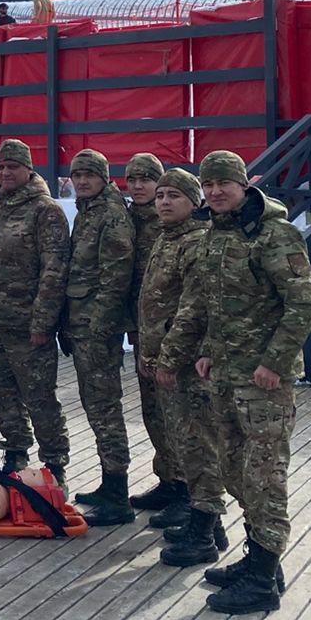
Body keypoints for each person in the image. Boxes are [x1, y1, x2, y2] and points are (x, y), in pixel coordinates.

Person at [159, 151, 311, 614]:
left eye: (223, 184)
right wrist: (209, 350)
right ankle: (259, 559)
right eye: (208, 185)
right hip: (226, 378)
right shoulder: (216, 234)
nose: (215, 192)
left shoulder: (274, 234)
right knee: (233, 470)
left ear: (244, 186)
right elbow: (214, 304)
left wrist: (274, 362)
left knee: (264, 477)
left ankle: (263, 582)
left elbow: (304, 305)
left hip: (263, 383)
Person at [138, 168, 227, 568]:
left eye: (174, 195)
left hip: (187, 365)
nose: (163, 202)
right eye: (160, 196)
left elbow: (198, 309)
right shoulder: (167, 237)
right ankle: (207, 521)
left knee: (199, 446)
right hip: (165, 359)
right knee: (184, 444)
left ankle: (204, 534)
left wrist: (172, 359)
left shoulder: (196, 243)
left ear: (195, 202)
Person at [0, 140, 71, 483]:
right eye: (0, 167)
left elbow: (54, 271)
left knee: (40, 397)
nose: (5, 173)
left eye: (12, 166)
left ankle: (55, 463)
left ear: (28, 169)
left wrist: (43, 322)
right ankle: (15, 453)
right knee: (3, 396)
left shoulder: (46, 211)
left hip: (29, 326)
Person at [66, 149, 136, 526]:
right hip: (82, 326)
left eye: (89, 175)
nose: (81, 181)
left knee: (105, 409)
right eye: (77, 175)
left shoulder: (110, 214)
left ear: (104, 178)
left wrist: (99, 328)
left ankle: (118, 494)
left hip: (97, 330)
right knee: (95, 407)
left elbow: (115, 278)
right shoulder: (88, 210)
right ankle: (109, 485)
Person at [122, 151, 180, 516]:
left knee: (176, 414)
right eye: (133, 179)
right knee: (153, 411)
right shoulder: (128, 220)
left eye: (146, 179)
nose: (139, 186)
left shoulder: (172, 225)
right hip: (141, 331)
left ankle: (187, 490)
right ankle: (169, 480)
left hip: (172, 334)